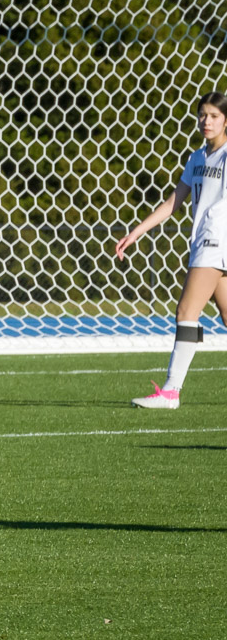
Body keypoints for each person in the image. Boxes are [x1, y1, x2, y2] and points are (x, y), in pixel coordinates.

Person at [115, 91, 227, 409]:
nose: (207, 121)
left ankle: (170, 391)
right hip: (206, 242)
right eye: (203, 114)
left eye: (215, 116)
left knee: (186, 312)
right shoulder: (197, 158)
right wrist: (137, 231)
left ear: (226, 120)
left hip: (215, 241)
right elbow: (174, 201)